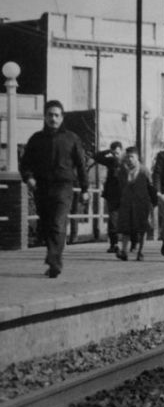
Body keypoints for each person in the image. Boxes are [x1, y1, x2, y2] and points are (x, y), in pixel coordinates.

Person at [20, 100, 90, 278]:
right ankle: (53, 260)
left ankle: (54, 261)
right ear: (45, 116)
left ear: (62, 117)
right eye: (50, 115)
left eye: (57, 115)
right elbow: (25, 163)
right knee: (46, 225)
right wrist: (29, 178)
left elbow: (81, 165)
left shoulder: (72, 138)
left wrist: (85, 189)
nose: (53, 118)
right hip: (42, 187)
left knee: (58, 223)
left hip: (63, 187)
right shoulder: (36, 139)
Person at [116, 147, 157, 261]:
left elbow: (151, 187)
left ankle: (141, 251)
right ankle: (124, 251)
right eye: (127, 157)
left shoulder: (144, 171)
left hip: (141, 203)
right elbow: (119, 186)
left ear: (137, 157)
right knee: (126, 228)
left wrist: (154, 203)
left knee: (141, 228)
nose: (129, 159)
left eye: (132, 157)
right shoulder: (122, 171)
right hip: (127, 203)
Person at [93, 141, 123, 253]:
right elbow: (96, 156)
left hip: (125, 193)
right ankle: (114, 243)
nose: (116, 155)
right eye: (114, 153)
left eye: (118, 153)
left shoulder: (126, 161)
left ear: (122, 151)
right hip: (112, 194)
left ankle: (133, 241)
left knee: (128, 217)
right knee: (113, 219)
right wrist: (108, 152)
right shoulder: (110, 161)